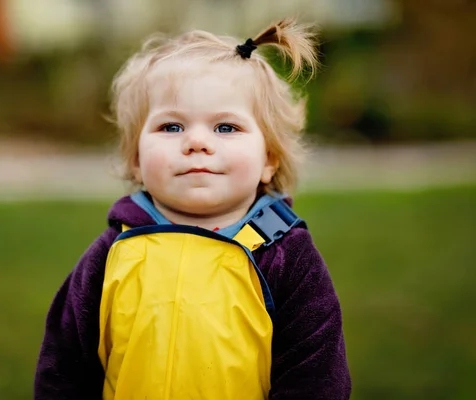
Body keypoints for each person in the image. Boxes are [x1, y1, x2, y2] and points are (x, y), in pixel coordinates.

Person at [35, 18, 351, 400]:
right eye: (171, 127)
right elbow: (64, 369)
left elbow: (316, 378)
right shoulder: (112, 254)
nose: (197, 142)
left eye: (225, 128)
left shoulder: (286, 258)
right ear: (136, 158)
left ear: (269, 158)